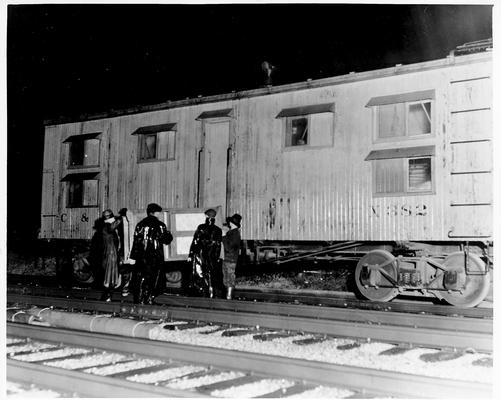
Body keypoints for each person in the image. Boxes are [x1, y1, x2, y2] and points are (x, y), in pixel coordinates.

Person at [129, 203, 173, 304]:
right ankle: (149, 298)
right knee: (154, 278)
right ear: (155, 213)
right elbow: (166, 240)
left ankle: (139, 299)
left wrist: (133, 257)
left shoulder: (140, 224)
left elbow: (136, 242)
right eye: (158, 212)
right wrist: (169, 234)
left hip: (142, 257)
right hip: (155, 256)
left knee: (141, 278)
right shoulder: (161, 225)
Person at [188, 208, 222, 298]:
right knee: (212, 275)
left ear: (206, 216)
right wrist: (217, 257)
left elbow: (195, 241)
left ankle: (202, 294)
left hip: (200, 255)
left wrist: (191, 254)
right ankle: (212, 294)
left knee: (200, 275)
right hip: (212, 256)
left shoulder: (201, 227)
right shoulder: (218, 230)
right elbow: (218, 246)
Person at [97, 208, 127, 301]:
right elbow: (113, 226)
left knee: (111, 276)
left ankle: (107, 295)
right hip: (111, 255)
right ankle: (107, 296)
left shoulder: (107, 226)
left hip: (112, 254)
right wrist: (122, 217)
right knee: (110, 277)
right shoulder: (106, 226)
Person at [221, 213, 242, 300]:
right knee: (226, 278)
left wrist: (224, 236)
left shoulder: (235, 234)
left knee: (229, 279)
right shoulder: (233, 233)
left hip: (230, 260)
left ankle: (229, 296)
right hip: (228, 259)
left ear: (232, 223)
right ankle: (228, 296)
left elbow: (228, 248)